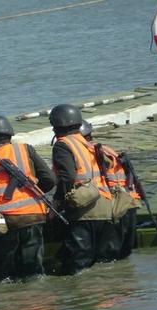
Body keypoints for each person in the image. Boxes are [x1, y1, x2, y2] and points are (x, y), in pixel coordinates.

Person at [0, 116, 56, 280]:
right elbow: (49, 179)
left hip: (3, 222)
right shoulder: (25, 149)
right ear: (10, 134)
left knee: (5, 273)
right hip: (33, 216)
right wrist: (36, 194)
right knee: (34, 270)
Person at [49, 104, 117, 274]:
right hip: (105, 206)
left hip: (84, 210)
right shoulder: (87, 143)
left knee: (77, 267)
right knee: (99, 264)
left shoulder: (62, 145)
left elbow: (67, 178)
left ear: (56, 125)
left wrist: (56, 203)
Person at [80, 120, 141, 258]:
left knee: (107, 258)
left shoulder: (89, 153)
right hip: (129, 204)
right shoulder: (104, 149)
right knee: (123, 258)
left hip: (115, 207)